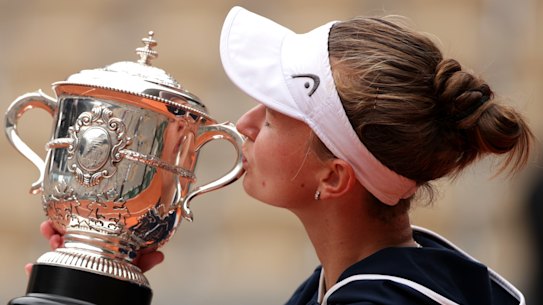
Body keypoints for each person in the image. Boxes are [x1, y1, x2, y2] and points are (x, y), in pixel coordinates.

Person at [37, 6, 533, 305]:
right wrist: (105, 272)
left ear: (335, 177)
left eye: (273, 119)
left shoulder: (382, 297)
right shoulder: (384, 278)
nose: (246, 125)